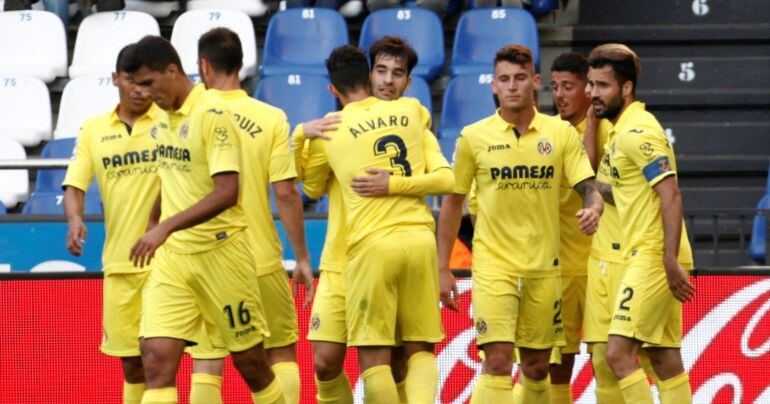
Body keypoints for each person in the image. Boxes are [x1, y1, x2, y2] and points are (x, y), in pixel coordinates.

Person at [436, 44, 603, 404]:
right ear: (494, 86)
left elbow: (587, 186)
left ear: (535, 82)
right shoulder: (473, 137)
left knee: (537, 367)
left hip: (544, 269)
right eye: (504, 79)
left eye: (520, 78)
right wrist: (442, 267)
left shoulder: (559, 134)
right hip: (494, 268)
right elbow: (452, 203)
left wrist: (594, 205)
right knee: (496, 360)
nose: (512, 86)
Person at [125, 35, 285, 404]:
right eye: (138, 86)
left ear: (172, 70)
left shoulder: (212, 114)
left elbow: (228, 191)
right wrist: (154, 219)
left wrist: (164, 227)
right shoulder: (162, 115)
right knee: (156, 361)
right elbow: (174, 173)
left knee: (251, 364)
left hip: (222, 254)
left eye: (149, 83)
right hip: (175, 259)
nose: (146, 94)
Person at [302, 44, 454, 403]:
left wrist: (391, 184)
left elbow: (447, 178)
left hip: (373, 249)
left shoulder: (413, 119)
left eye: (397, 73)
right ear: (367, 75)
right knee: (325, 363)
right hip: (342, 260)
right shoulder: (332, 128)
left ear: (408, 81)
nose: (387, 80)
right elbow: (311, 183)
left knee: (392, 360)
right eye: (381, 71)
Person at [177, 28, 315, 404]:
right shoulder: (270, 117)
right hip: (260, 257)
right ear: (242, 64)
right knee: (281, 352)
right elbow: (286, 193)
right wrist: (301, 256)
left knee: (207, 362)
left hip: (204, 257)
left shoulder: (188, 116)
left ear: (203, 65)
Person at [589, 44, 695, 404]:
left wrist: (667, 259)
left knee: (617, 354)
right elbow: (606, 188)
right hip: (647, 252)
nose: (592, 94)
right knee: (663, 359)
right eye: (590, 85)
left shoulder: (640, 134)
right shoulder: (619, 133)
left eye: (602, 86)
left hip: (654, 255)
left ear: (627, 88)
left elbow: (672, 194)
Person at [63, 43, 164, 404]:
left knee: (158, 361)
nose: (138, 90)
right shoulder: (92, 130)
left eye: (146, 83)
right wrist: (75, 219)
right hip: (120, 263)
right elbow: (75, 184)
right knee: (132, 365)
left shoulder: (169, 124)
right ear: (115, 79)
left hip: (167, 264)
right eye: (130, 81)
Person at [548, 51, 612, 402]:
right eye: (555, 86)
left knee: (607, 358)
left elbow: (593, 176)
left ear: (588, 90)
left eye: (568, 87)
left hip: (600, 263)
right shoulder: (549, 132)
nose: (559, 95)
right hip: (560, 266)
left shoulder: (605, 128)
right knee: (557, 362)